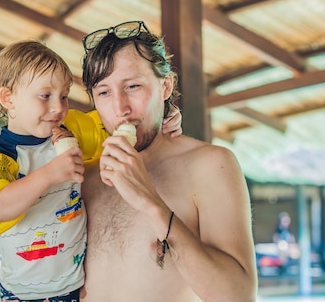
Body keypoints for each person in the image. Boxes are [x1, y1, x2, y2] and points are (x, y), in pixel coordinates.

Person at [0, 40, 182, 302]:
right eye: (45, 96)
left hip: (74, 288)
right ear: (8, 98)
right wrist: (51, 174)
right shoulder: (0, 155)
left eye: (63, 96)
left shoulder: (73, 133)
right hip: (24, 293)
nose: (58, 107)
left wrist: (166, 115)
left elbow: (122, 124)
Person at [79, 20, 258, 301]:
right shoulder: (84, 178)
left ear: (165, 87)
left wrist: (151, 202)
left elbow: (238, 296)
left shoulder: (211, 165)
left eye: (133, 86)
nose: (120, 108)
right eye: (104, 92)